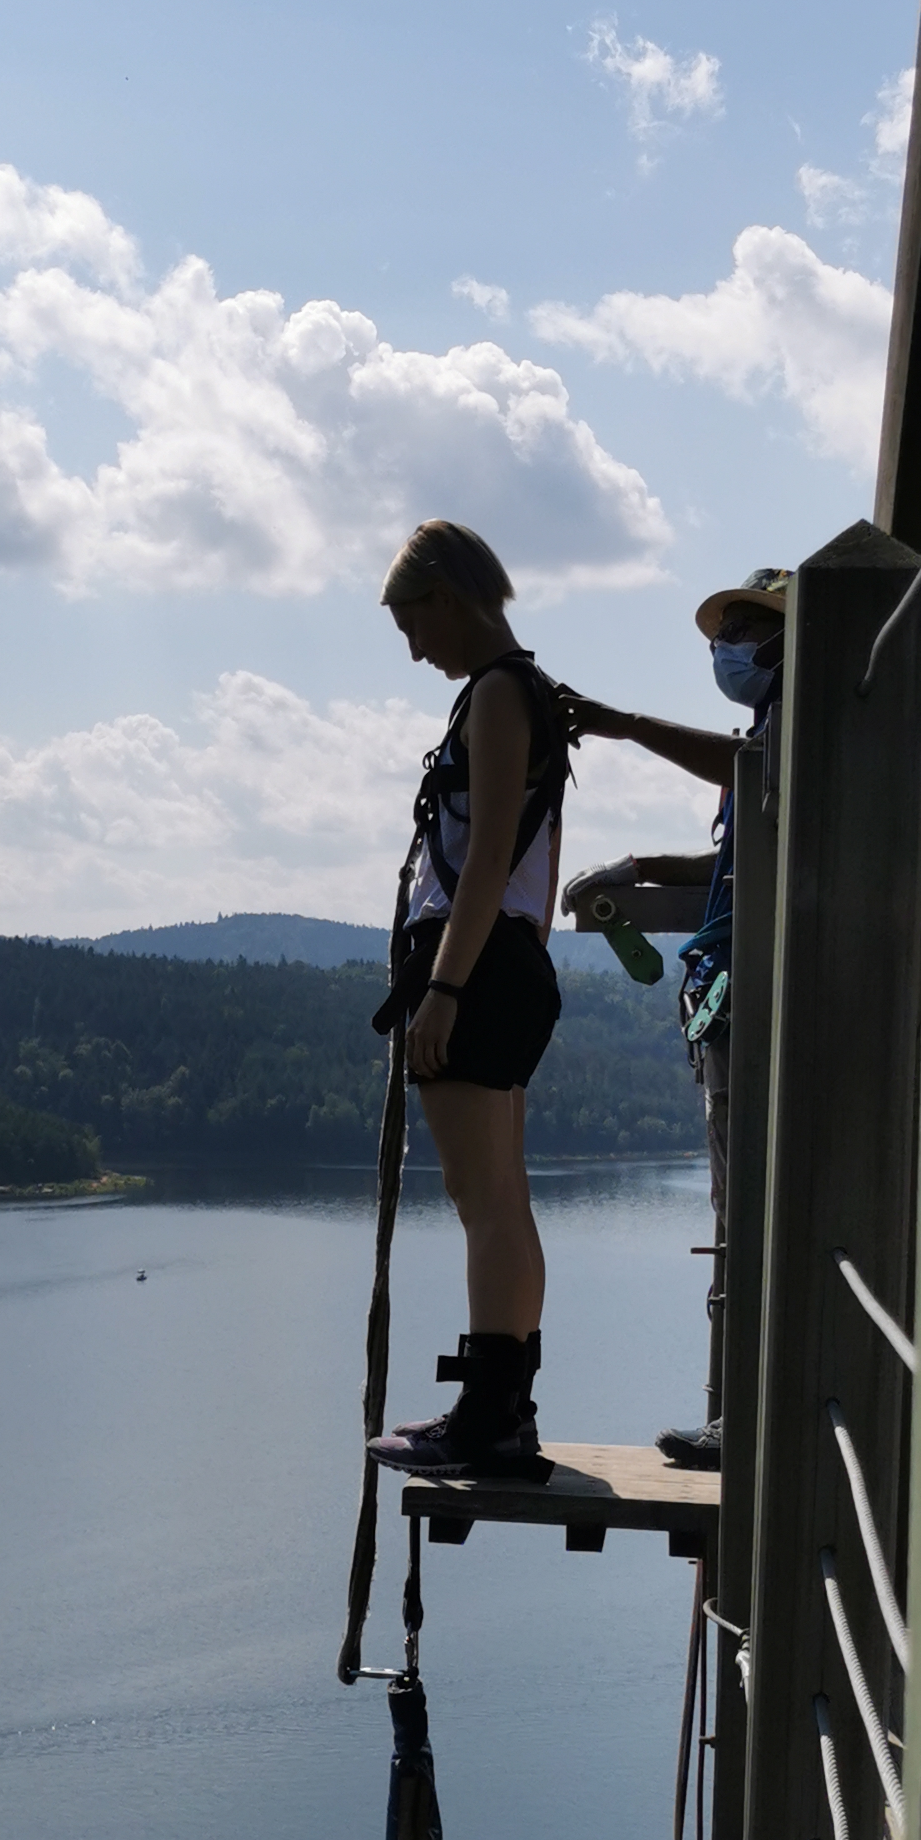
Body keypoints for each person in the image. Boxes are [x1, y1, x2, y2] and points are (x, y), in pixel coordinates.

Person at [559, 566, 787, 1467]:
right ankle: (746, 1411)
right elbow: (733, 858)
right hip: (734, 996)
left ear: (790, 636)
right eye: (719, 635)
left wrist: (623, 723)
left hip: (765, 1002)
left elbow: (743, 769)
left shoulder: (799, 727)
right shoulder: (767, 737)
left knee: (754, 1209)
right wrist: (643, 865)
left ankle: (749, 1417)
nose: (725, 648)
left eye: (744, 630)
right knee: (738, 1204)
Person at [366, 520, 571, 1480]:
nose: (414, 649)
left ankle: (487, 1421)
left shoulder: (495, 692)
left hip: (474, 964)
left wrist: (446, 986)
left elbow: (488, 851)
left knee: (480, 1199)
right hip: (505, 961)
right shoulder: (528, 693)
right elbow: (537, 856)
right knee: (503, 1198)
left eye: (414, 624)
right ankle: (503, 1410)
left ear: (446, 597)